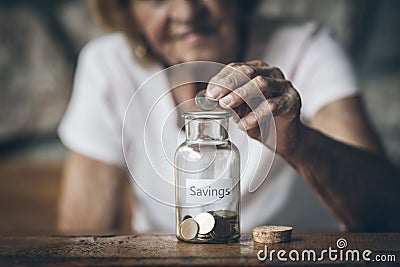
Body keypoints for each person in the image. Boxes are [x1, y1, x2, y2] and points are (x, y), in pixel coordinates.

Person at [57, 0, 400, 234]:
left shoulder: (306, 46)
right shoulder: (108, 65)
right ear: (128, 12)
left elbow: (387, 212)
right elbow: (81, 239)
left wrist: (300, 143)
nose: (187, 11)